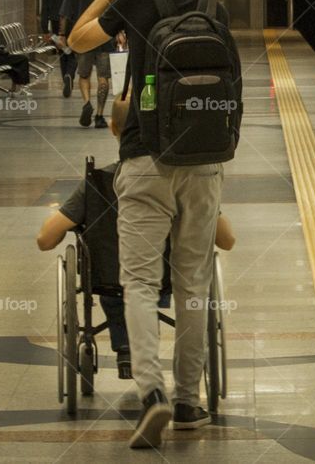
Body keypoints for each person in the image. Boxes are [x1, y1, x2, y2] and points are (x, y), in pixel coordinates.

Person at [69, 0, 232, 449]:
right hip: (205, 162)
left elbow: (78, 39)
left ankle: (152, 395)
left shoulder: (140, 0)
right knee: (194, 284)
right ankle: (189, 401)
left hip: (144, 159)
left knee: (138, 283)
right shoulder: (215, 8)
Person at [35, 97, 236, 379]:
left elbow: (45, 239)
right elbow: (226, 240)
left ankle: (127, 349)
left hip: (108, 277)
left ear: (114, 128)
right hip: (168, 278)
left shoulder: (98, 183)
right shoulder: (186, 181)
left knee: (127, 280)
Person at [59, 0, 112, 129]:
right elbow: (116, 9)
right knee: (103, 77)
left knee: (84, 75)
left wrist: (62, 34)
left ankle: (87, 102)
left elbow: (65, 13)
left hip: (82, 38)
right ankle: (99, 115)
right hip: (104, 35)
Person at [40, 0, 76, 97]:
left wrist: (45, 29)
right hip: (72, 21)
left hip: (55, 23)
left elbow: (45, 8)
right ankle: (69, 75)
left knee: (62, 52)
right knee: (73, 50)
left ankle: (65, 77)